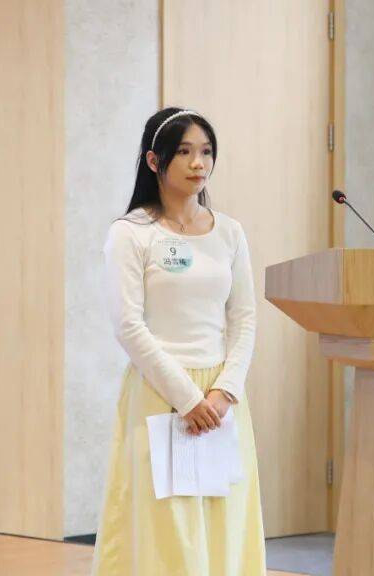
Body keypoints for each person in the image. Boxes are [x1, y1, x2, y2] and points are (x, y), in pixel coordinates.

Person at [91, 107, 267, 575]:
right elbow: (128, 325)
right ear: (154, 161)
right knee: (166, 532)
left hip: (221, 402)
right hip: (160, 393)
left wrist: (224, 391)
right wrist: (188, 399)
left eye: (206, 152)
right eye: (185, 152)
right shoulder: (131, 233)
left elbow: (244, 318)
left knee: (223, 523)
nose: (198, 163)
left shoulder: (229, 232)